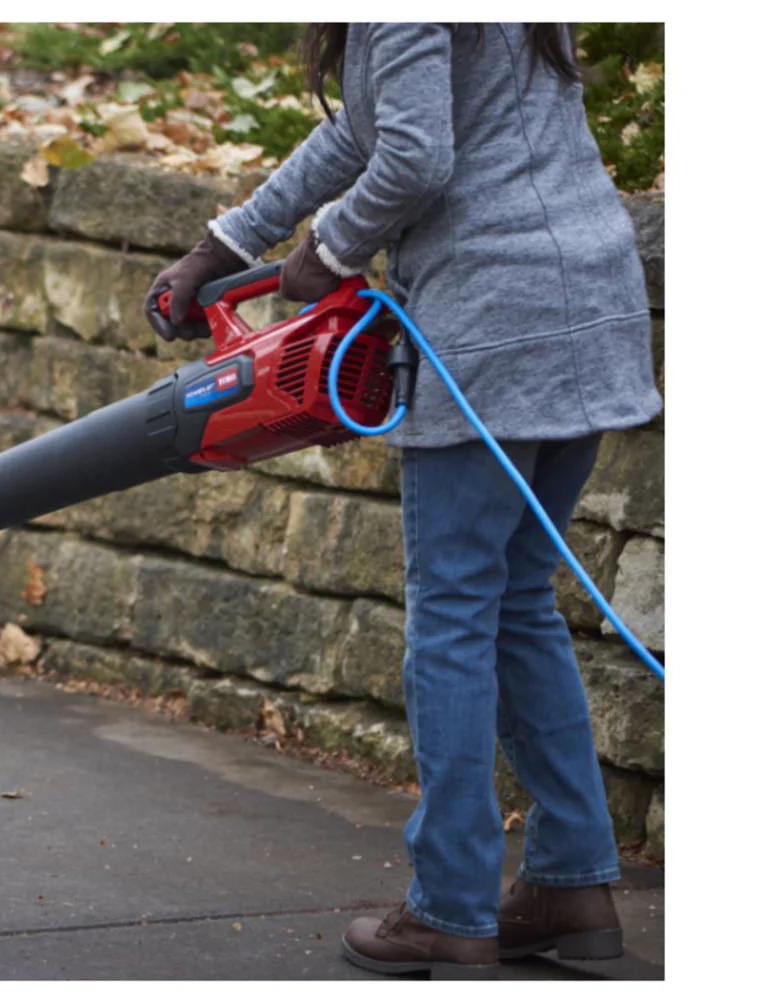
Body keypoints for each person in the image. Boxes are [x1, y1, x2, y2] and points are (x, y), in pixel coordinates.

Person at [144, 23, 661, 980]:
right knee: (515, 600)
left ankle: (451, 909)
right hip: (589, 305)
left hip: (492, 320)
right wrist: (223, 244)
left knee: (456, 612)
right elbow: (365, 133)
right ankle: (573, 884)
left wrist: (329, 252)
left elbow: (417, 157)